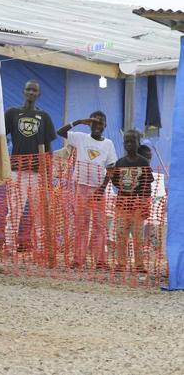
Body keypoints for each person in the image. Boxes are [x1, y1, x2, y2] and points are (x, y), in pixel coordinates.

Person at [57, 111, 117, 269]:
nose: (97, 125)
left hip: (98, 190)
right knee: (81, 224)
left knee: (99, 225)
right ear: (89, 123)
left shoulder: (108, 144)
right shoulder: (81, 138)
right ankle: (78, 260)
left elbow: (111, 167)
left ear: (105, 125)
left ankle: (100, 261)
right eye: (94, 122)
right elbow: (60, 132)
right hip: (81, 187)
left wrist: (102, 188)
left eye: (101, 122)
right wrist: (78, 121)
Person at [4, 80, 57, 259]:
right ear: (23, 91)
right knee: (14, 211)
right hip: (16, 171)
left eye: (35, 90)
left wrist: (48, 174)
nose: (31, 92)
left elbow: (48, 147)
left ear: (39, 94)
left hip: (37, 173)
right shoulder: (12, 113)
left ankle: (40, 249)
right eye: (28, 89)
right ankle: (10, 248)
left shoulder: (45, 116)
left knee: (39, 213)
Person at [102, 130, 153, 273]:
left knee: (137, 236)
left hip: (138, 205)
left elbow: (147, 186)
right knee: (121, 234)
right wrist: (116, 179)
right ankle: (121, 264)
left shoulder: (143, 162)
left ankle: (139, 265)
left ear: (138, 143)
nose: (129, 144)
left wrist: (145, 204)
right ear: (124, 144)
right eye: (126, 141)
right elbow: (116, 182)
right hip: (122, 204)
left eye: (132, 141)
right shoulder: (120, 162)